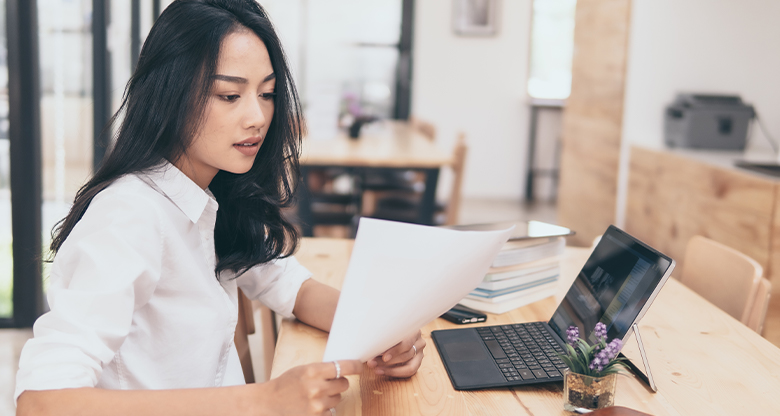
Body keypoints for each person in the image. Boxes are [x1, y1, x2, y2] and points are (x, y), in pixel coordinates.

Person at [14, 1, 425, 415]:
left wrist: (378, 332)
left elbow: (290, 286)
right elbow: (42, 403)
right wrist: (263, 400)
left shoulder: (216, 190)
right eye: (230, 95)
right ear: (169, 94)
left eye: (267, 94)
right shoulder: (130, 215)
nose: (257, 116)